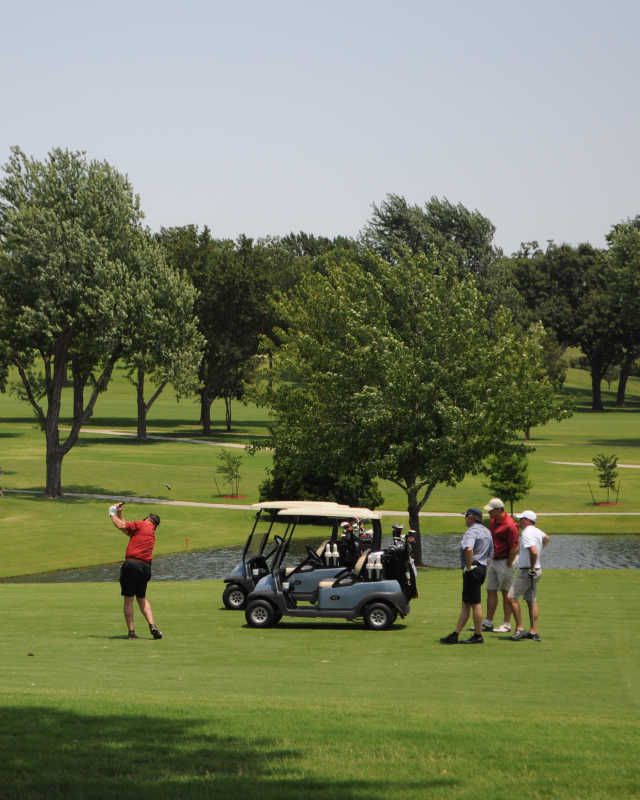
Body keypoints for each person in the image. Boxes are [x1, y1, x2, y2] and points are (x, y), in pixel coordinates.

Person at [109, 502, 163, 640]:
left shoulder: (142, 524)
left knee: (128, 599)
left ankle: (131, 632)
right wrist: (120, 513)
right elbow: (127, 530)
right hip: (146, 568)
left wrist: (111, 513)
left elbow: (120, 525)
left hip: (132, 565)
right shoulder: (150, 531)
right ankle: (152, 626)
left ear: (149, 519)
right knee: (141, 599)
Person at [440, 507, 494, 645]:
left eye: (466, 516)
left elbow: (469, 549)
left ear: (472, 517)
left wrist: (469, 567)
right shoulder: (487, 531)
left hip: (473, 569)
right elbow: (490, 555)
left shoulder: (472, 531)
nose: (465, 519)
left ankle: (478, 636)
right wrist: (482, 567)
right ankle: (455, 634)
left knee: (475, 604)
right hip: (481, 568)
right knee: (466, 603)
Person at [507, 510, 550, 642]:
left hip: (528, 571)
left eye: (521, 519)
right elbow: (547, 538)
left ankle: (519, 628)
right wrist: (540, 551)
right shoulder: (537, 531)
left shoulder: (526, 533)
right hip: (537, 570)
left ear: (527, 520)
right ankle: (533, 631)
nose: (519, 521)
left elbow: (533, 551)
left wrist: (531, 567)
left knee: (511, 598)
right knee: (531, 600)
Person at [480, 498, 519, 633]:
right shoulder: (493, 521)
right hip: (495, 560)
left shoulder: (510, 525)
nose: (489, 513)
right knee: (491, 590)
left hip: (506, 561)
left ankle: (506, 624)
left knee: (505, 592)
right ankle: (488, 622)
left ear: (499, 510)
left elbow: (515, 547)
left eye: (491, 510)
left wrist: (509, 564)